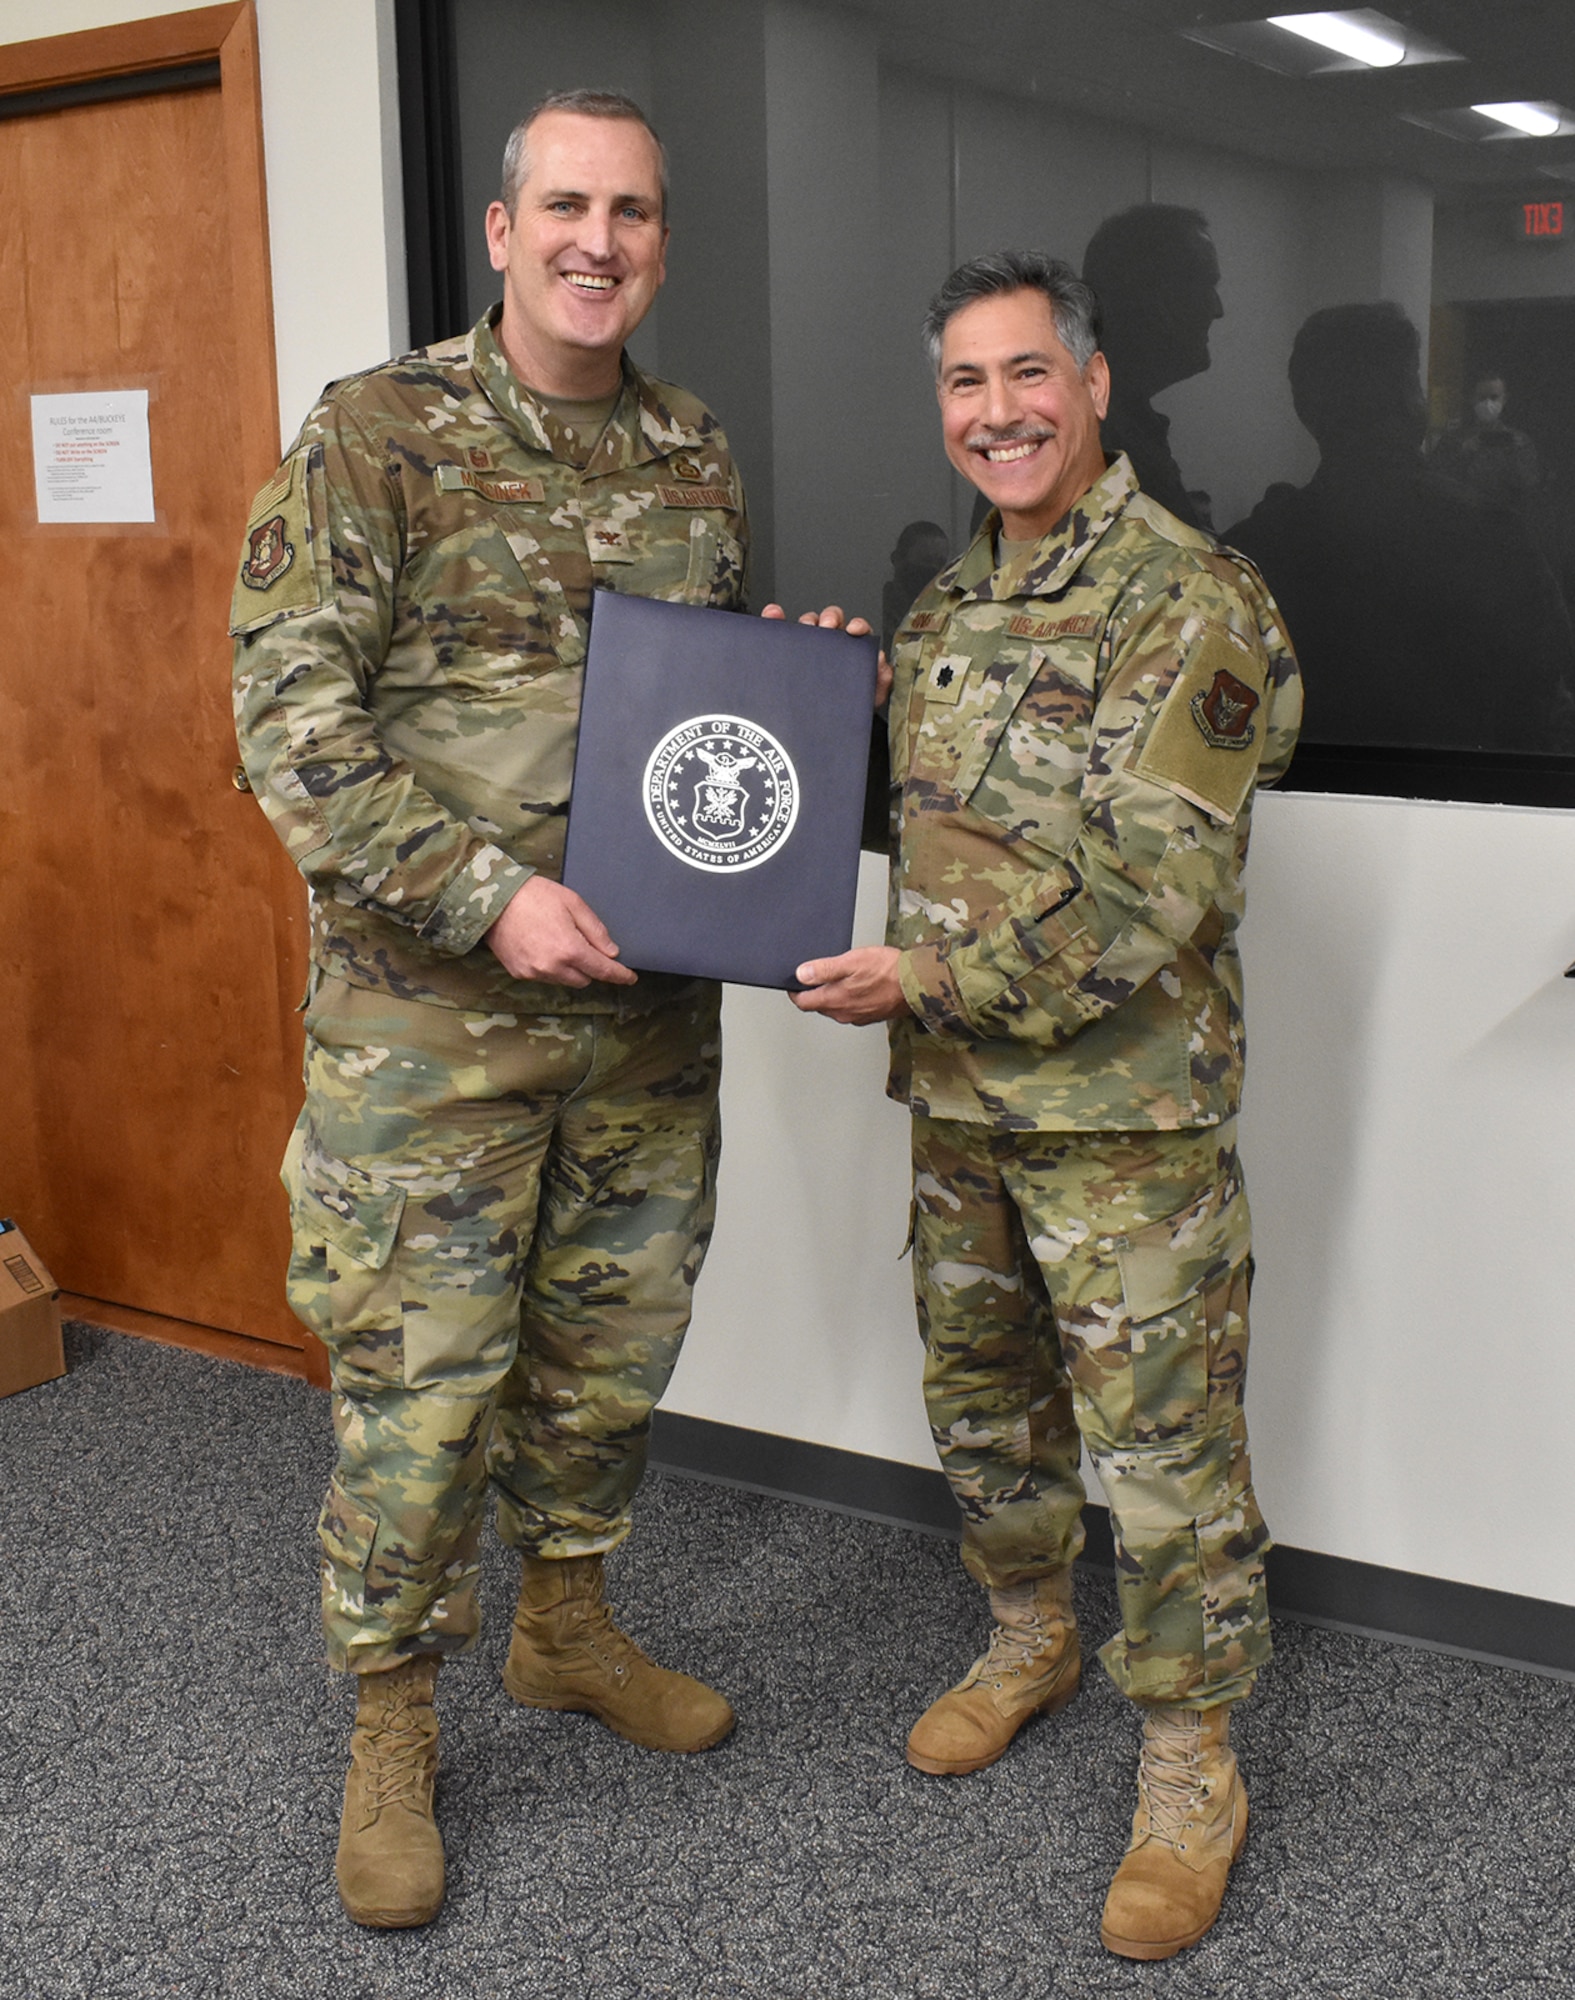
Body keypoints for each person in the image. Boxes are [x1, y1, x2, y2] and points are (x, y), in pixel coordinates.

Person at [231, 91, 751, 1930]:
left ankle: (568, 1628)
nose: (598, 239)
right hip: (427, 1042)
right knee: (420, 1399)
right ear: (501, 227)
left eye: (631, 209)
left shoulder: (693, 449)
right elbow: (291, 728)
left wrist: (794, 705)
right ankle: (393, 1724)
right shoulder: (376, 435)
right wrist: (487, 897)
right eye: (566, 206)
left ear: (659, 241)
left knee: (606, 1364)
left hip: (641, 1031)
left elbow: (702, 718)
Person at [791, 249, 1301, 1961]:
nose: (995, 413)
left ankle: (1190, 1762)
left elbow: (1153, 885)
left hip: (1125, 1125)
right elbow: (939, 828)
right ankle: (1028, 1633)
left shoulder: (1193, 599)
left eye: (1026, 377)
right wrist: (802, 713)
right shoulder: (943, 609)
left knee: (1162, 1457)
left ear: (1090, 385)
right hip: (965, 1115)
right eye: (963, 385)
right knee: (986, 1402)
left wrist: (926, 983)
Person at [1226, 306, 1575, 752]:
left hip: (1299, 810)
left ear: (1306, 410)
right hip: (1469, 804)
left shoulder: (1256, 552)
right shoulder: (1490, 536)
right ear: (1412, 400)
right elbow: (1545, 693)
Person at [1082, 205, 1223, 530]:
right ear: (1142, 292)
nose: (1217, 309)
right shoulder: (1084, 444)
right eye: (1201, 285)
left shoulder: (1116, 427)